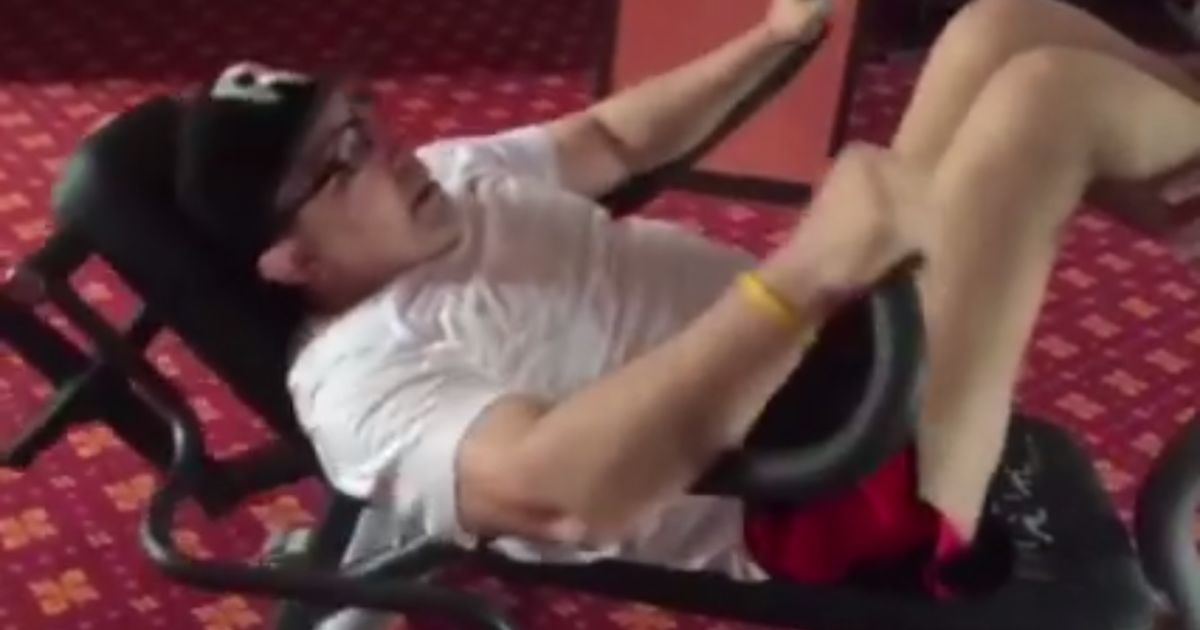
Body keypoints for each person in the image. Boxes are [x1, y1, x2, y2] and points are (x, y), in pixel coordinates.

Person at [173, 0, 1200, 625]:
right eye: (344, 156)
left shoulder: (447, 180)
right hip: (834, 482)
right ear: (289, 256)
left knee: (1000, 26)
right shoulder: (360, 382)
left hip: (830, 341)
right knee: (1046, 105)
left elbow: (612, 141)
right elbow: (558, 496)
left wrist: (775, 39)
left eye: (363, 115)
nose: (388, 146)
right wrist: (802, 278)